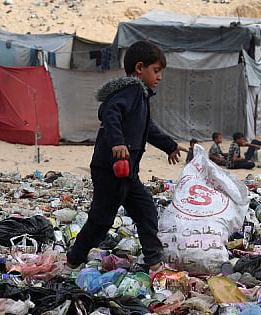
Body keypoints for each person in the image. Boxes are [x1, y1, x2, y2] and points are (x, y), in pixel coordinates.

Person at [65, 40, 187, 273]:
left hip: (127, 172)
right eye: (156, 70)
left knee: (146, 211)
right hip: (111, 168)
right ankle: (73, 259)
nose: (159, 77)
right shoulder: (130, 91)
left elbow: (147, 129)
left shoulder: (140, 96)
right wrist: (118, 142)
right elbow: (110, 113)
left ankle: (154, 262)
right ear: (140, 68)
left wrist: (169, 146)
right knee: (101, 220)